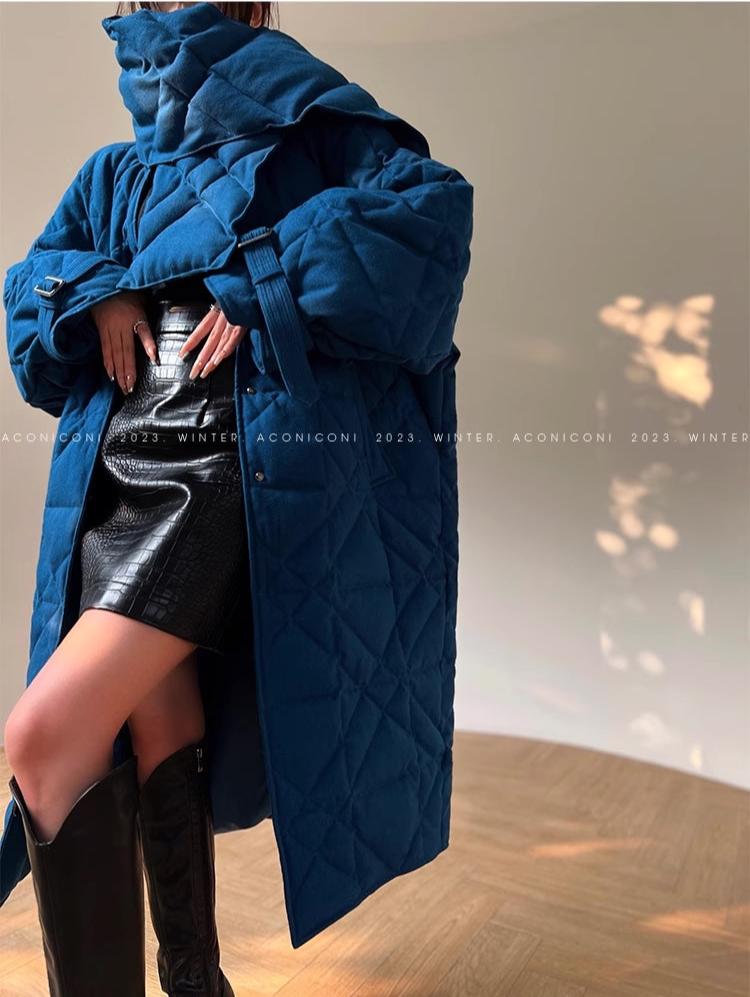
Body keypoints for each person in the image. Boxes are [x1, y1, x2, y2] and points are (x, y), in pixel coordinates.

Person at [1, 2, 474, 995]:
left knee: (40, 735)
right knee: (156, 722)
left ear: (255, 6)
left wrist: (272, 278)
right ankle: (196, 980)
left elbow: (430, 224)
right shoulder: (114, 173)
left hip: (227, 463)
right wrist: (92, 290)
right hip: (111, 472)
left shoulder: (321, 132)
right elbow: (29, 306)